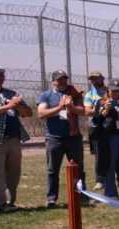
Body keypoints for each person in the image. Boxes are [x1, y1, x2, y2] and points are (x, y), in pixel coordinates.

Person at [37, 70, 86, 208]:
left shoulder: (74, 93)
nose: (63, 81)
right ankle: (52, 198)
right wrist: (60, 107)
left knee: (78, 168)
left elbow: (83, 111)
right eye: (59, 79)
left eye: (65, 79)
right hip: (54, 138)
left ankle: (81, 195)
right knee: (53, 170)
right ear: (53, 81)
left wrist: (71, 107)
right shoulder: (46, 95)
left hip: (73, 137)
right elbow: (41, 113)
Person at [0, 65, 32, 213]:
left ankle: (10, 202)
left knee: (14, 171)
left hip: (14, 138)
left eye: (1, 75)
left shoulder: (12, 93)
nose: (0, 78)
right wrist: (8, 106)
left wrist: (17, 106)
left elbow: (28, 113)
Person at [91, 81, 119, 200]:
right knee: (110, 165)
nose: (115, 93)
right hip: (109, 137)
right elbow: (96, 121)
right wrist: (104, 111)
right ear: (108, 91)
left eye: (117, 90)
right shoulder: (101, 102)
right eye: (113, 90)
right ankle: (111, 193)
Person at [83, 71, 109, 190]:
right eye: (92, 79)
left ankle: (117, 178)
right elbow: (88, 111)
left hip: (110, 127)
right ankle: (100, 180)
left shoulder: (109, 91)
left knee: (112, 153)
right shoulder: (89, 95)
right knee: (99, 155)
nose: (94, 81)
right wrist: (101, 108)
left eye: (96, 78)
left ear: (102, 78)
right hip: (96, 128)